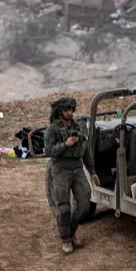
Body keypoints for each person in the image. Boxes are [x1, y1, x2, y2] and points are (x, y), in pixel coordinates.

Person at [44, 96, 93, 254]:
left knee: (85, 205)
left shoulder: (78, 126)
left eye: (71, 109)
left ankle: (71, 232)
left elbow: (86, 151)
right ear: (59, 112)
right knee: (64, 208)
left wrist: (92, 171)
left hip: (77, 168)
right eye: (66, 110)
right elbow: (49, 151)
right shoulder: (53, 129)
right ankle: (66, 239)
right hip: (61, 169)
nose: (69, 112)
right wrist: (65, 145)